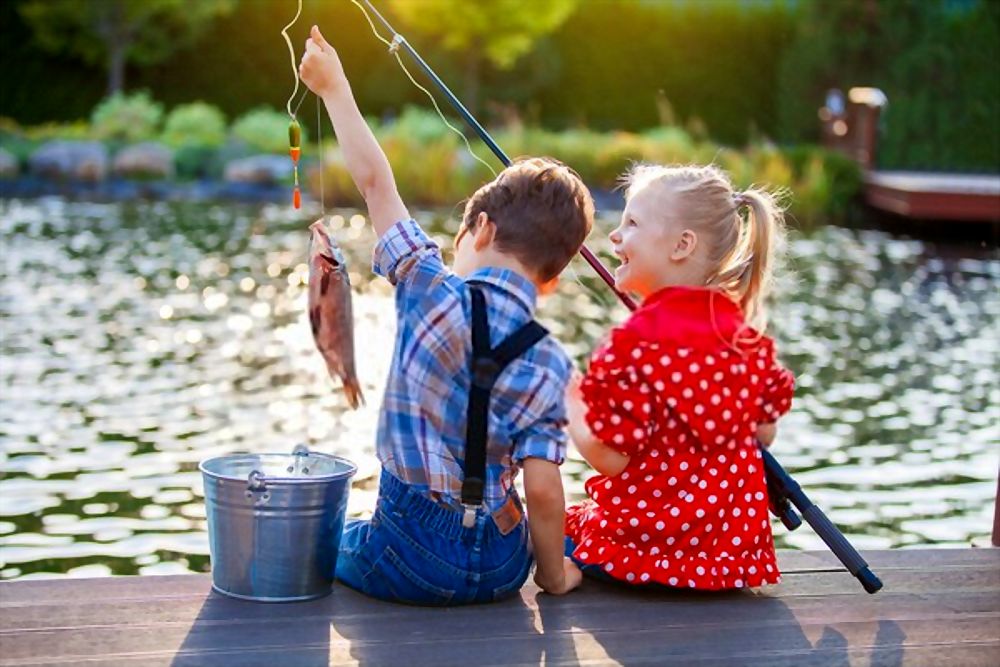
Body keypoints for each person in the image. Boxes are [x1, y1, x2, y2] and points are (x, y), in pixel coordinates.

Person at [299, 26, 590, 604]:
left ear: (480, 228)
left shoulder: (428, 285)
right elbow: (543, 486)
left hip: (409, 553)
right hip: (505, 564)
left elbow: (375, 183)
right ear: (552, 283)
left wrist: (334, 90)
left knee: (329, 542)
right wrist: (553, 577)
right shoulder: (550, 360)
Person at [563, 164, 794, 590]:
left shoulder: (632, 344)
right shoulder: (743, 338)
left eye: (631, 223)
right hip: (728, 565)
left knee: (544, 527)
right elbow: (764, 433)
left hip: (642, 555)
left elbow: (609, 459)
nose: (616, 235)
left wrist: (571, 404)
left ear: (682, 245)